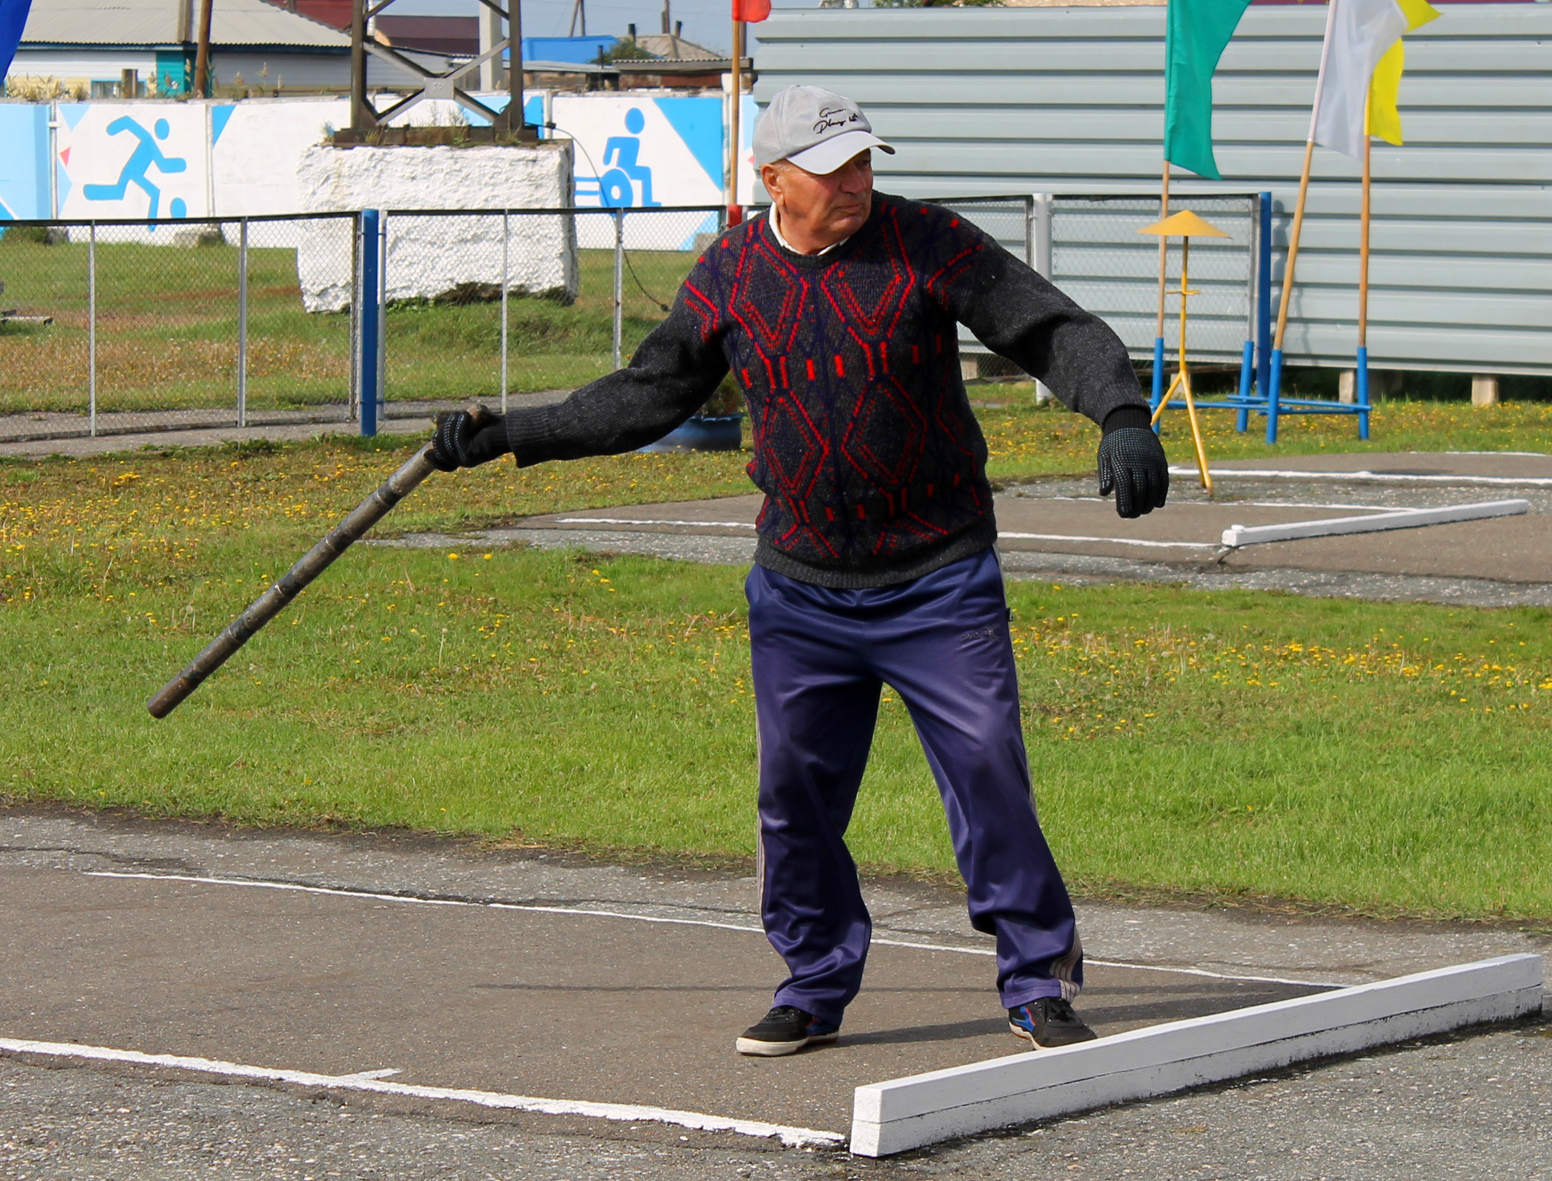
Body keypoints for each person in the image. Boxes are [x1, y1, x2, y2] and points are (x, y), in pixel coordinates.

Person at [427, 86, 1170, 1056]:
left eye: (864, 162)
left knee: (988, 770)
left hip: (937, 575)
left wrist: (1116, 411)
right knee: (795, 795)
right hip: (800, 590)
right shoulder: (732, 273)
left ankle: (1035, 980)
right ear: (772, 179)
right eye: (833, 170)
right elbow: (647, 395)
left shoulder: (926, 243)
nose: (856, 183)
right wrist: (512, 434)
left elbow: (1048, 327)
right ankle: (812, 982)